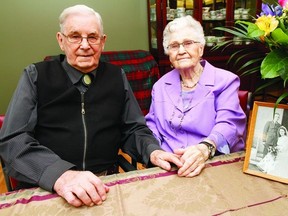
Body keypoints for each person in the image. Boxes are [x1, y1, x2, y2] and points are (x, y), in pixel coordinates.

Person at [0, 5, 182, 207]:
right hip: (49, 186)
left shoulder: (116, 76)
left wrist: (152, 150)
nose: (85, 45)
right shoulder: (35, 75)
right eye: (75, 36)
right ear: (61, 40)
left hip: (105, 186)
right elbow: (12, 140)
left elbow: (134, 128)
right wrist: (61, 175)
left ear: (103, 42)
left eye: (92, 37)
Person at [145, 15, 247, 177]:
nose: (181, 51)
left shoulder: (225, 81)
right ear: (168, 54)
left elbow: (229, 123)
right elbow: (152, 124)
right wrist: (155, 151)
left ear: (201, 48)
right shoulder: (160, 86)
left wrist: (205, 147)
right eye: (174, 45)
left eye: (188, 43)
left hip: (211, 161)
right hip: (169, 166)